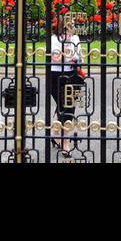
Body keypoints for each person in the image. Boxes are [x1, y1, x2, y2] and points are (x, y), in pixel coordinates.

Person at [48, 16, 83, 155]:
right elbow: (55, 59)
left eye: (72, 28)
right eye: (68, 29)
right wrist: (67, 50)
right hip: (56, 76)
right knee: (64, 107)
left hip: (73, 75)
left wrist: (76, 58)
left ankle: (55, 133)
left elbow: (81, 56)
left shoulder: (75, 38)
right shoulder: (53, 39)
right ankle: (65, 142)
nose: (70, 32)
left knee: (68, 107)